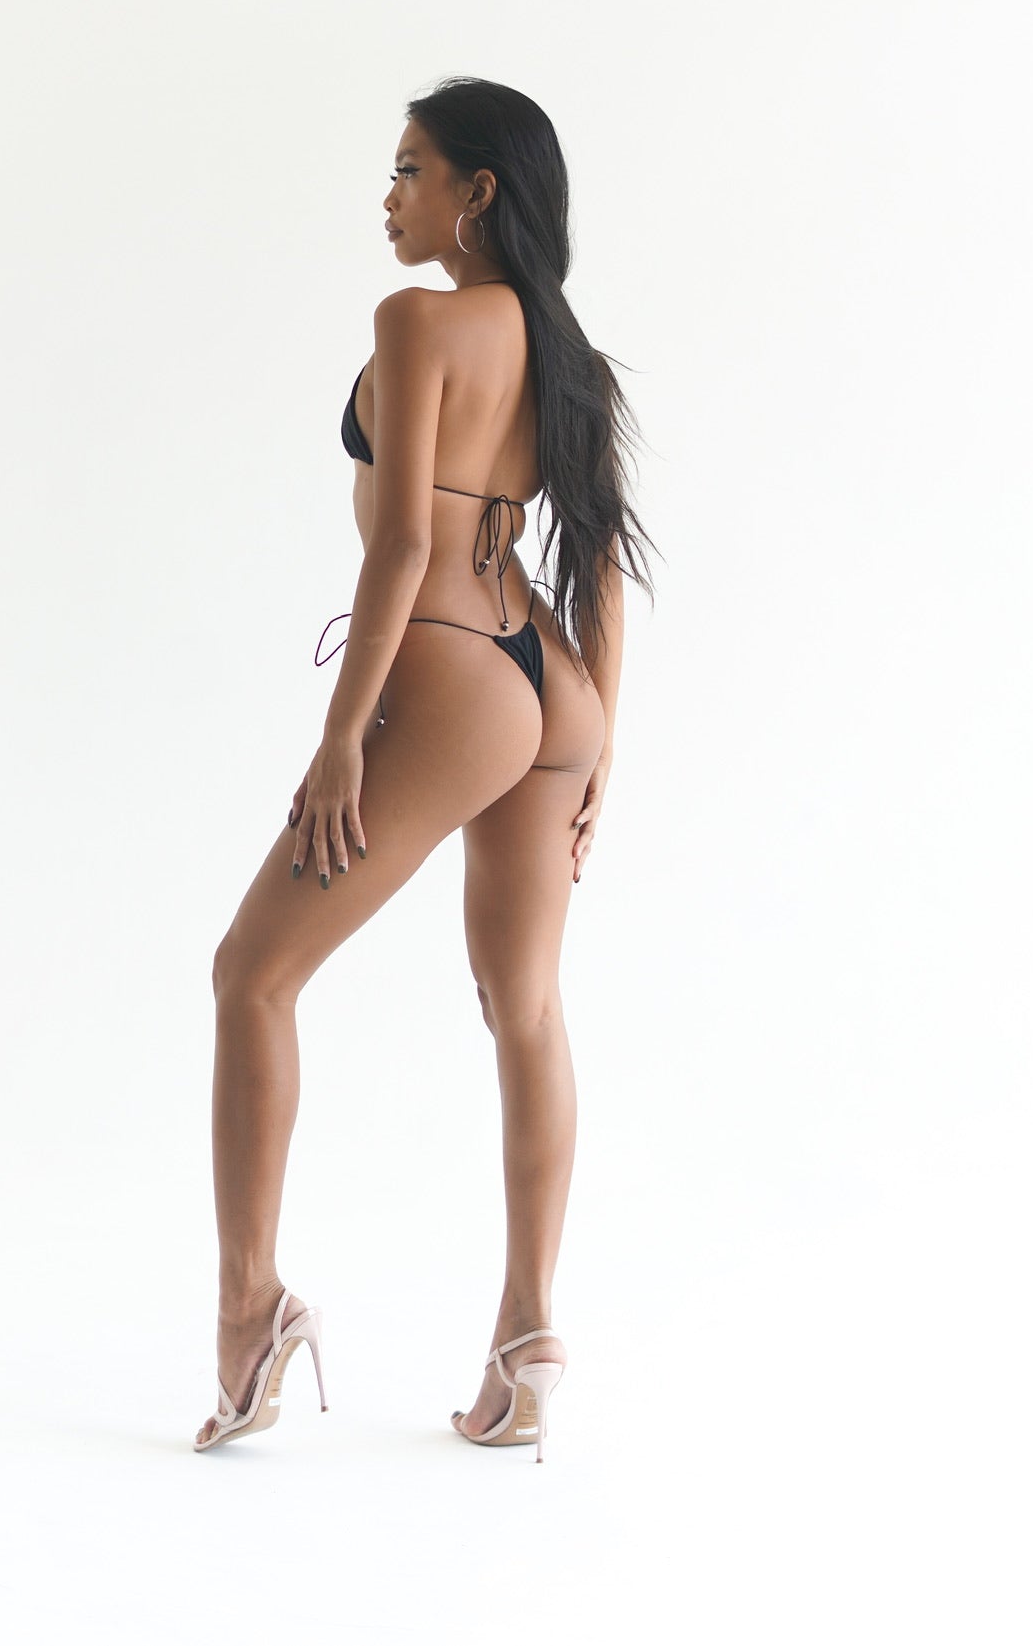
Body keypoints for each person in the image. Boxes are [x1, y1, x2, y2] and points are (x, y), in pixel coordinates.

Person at [194, 76, 658, 1457]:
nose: (388, 196)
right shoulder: (569, 359)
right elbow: (603, 563)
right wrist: (603, 743)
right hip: (551, 681)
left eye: (410, 169)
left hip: (452, 671)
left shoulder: (415, 323)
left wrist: (343, 735)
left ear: (477, 192)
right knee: (526, 1007)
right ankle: (528, 1333)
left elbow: (400, 544)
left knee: (252, 974)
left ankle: (249, 1310)